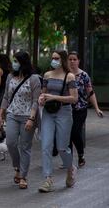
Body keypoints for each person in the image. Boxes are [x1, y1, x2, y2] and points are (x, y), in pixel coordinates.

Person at [0, 51, 41, 189]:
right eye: (13, 61)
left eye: (16, 61)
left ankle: (23, 176)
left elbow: (36, 101)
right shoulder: (10, 77)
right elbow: (5, 97)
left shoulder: (34, 79)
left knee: (25, 146)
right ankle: (17, 167)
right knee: (10, 143)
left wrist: (31, 118)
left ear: (23, 62)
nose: (14, 64)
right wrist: (0, 115)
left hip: (28, 116)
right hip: (12, 114)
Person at [38, 50, 78, 193]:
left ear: (63, 60)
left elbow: (74, 98)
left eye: (56, 58)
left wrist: (54, 97)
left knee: (62, 147)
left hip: (64, 113)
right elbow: (43, 93)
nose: (53, 60)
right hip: (48, 113)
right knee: (46, 145)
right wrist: (41, 98)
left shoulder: (69, 76)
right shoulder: (47, 75)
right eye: (52, 58)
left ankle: (70, 168)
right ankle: (47, 179)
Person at [68, 51, 104, 168]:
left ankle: (80, 154)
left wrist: (97, 108)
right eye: (70, 59)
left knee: (74, 132)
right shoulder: (65, 74)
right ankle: (68, 159)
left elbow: (91, 92)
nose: (72, 61)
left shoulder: (84, 75)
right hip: (66, 110)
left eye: (74, 59)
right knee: (66, 133)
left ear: (78, 61)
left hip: (80, 109)